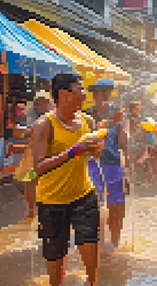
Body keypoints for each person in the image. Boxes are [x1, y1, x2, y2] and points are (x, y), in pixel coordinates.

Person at [32, 72, 103, 286]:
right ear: (63, 94)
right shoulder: (44, 125)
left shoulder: (87, 121)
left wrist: (97, 146)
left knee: (90, 249)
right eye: (80, 90)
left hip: (84, 195)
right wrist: (73, 152)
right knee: (55, 260)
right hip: (51, 202)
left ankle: (93, 283)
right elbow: (38, 167)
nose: (84, 95)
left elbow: (93, 156)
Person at [85, 79, 128, 251]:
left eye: (107, 92)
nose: (104, 95)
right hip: (93, 165)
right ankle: (99, 244)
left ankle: (115, 243)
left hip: (113, 164)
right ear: (94, 95)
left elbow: (124, 142)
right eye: (100, 92)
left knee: (116, 206)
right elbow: (85, 139)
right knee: (95, 205)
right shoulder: (87, 115)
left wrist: (119, 124)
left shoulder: (117, 113)